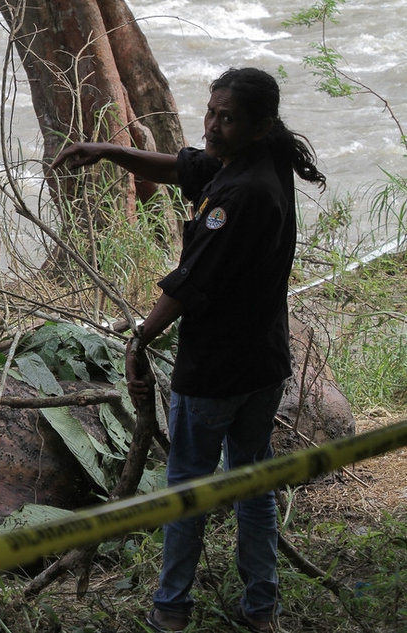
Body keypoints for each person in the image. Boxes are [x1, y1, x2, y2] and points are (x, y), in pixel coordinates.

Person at [50, 67, 327, 632]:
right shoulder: (261, 160)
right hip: (264, 363)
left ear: (259, 124)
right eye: (211, 112)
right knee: (252, 483)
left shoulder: (239, 195)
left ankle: (171, 610)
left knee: (188, 490)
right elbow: (183, 168)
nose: (214, 126)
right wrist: (107, 150)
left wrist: (140, 337)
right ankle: (261, 609)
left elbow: (190, 283)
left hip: (217, 371)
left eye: (228, 118)